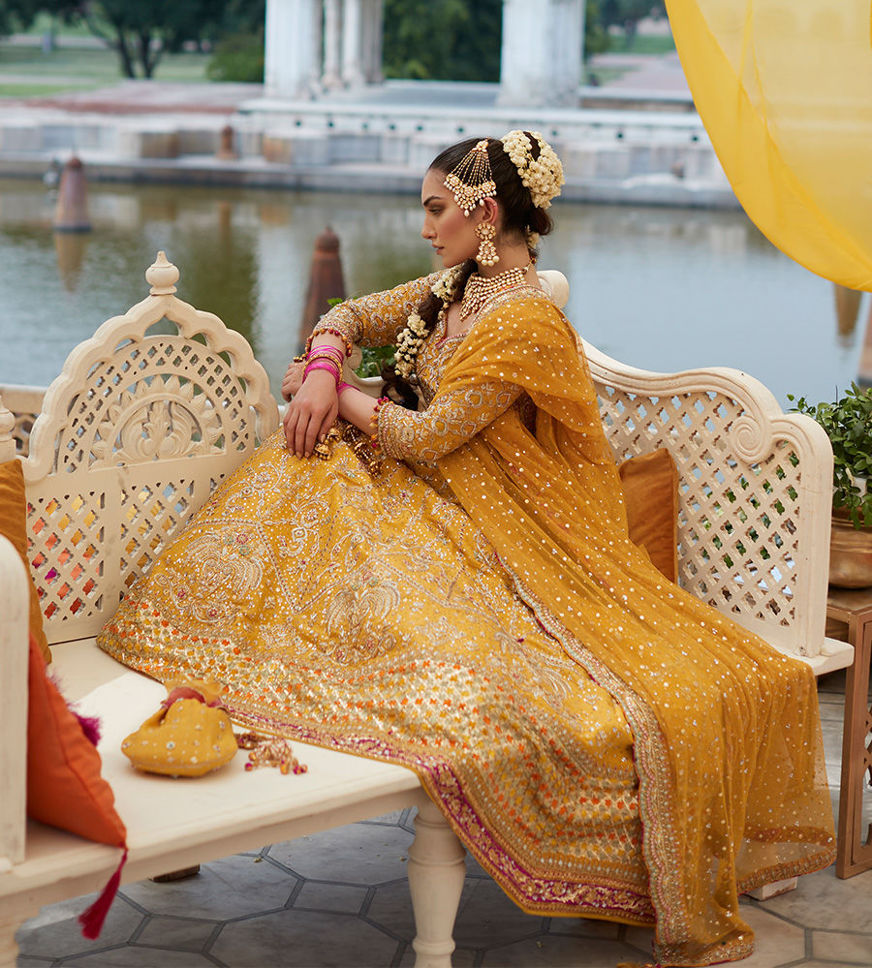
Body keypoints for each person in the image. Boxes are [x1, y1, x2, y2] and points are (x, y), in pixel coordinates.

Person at [98, 132, 835, 967]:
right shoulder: (457, 286)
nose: (425, 228)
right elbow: (350, 314)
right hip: (431, 497)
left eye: (437, 209)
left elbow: (426, 436)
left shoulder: (522, 321)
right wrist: (325, 365)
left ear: (485, 214)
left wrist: (336, 393)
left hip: (496, 527)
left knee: (340, 516)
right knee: (300, 476)